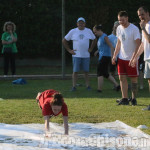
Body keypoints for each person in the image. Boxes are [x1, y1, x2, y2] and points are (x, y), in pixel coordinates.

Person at [112, 11, 141, 105]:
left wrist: (134, 57)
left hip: (131, 58)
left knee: (133, 79)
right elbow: (119, 43)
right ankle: (124, 98)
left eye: (123, 20)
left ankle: (133, 99)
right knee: (121, 78)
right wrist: (114, 55)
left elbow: (138, 44)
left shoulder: (134, 29)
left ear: (127, 18)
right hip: (121, 58)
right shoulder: (119, 28)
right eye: (119, 20)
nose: (121, 22)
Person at [62, 17, 97, 91]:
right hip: (76, 55)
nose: (81, 24)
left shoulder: (88, 31)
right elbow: (64, 40)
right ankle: (74, 86)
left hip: (86, 55)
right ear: (77, 23)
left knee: (86, 71)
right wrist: (69, 50)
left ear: (84, 24)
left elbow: (94, 39)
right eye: (79, 22)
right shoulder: (73, 31)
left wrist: (91, 49)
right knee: (75, 71)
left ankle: (88, 86)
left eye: (82, 22)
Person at [93, 24, 120, 92]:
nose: (95, 33)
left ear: (99, 30)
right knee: (105, 73)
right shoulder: (100, 38)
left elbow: (111, 46)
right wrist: (97, 51)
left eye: (95, 32)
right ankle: (117, 85)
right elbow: (102, 47)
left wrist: (112, 57)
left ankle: (99, 89)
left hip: (105, 57)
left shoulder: (105, 36)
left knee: (99, 72)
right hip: (102, 56)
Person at [132, 6, 150, 92]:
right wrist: (136, 57)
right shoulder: (145, 26)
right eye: (139, 15)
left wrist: (143, 28)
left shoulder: (146, 26)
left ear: (147, 13)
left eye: (142, 14)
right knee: (149, 80)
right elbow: (143, 44)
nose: (141, 17)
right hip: (147, 57)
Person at [108, 21, 120, 88]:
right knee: (112, 71)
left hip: (121, 56)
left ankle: (122, 84)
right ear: (113, 27)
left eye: (118, 26)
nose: (117, 28)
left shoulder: (121, 36)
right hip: (112, 57)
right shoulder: (109, 37)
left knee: (121, 72)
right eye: (116, 27)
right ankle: (115, 84)